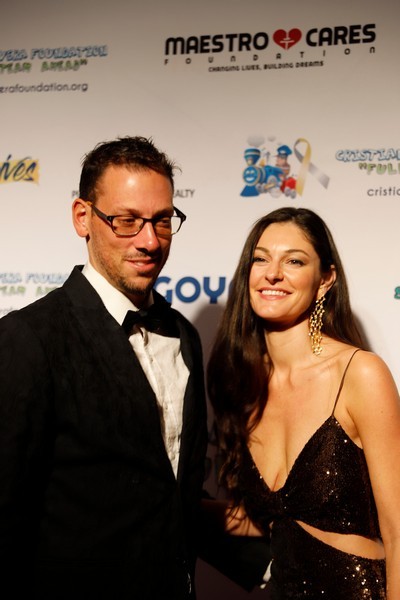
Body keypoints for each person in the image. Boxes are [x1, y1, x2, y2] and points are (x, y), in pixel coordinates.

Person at [0, 136, 208, 599]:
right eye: (126, 221)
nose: (149, 241)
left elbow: (172, 491)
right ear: (83, 217)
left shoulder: (184, 336)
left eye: (162, 221)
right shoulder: (29, 338)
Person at [207, 207, 400, 599]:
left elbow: (397, 530)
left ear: (325, 279)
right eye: (260, 259)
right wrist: (166, 507)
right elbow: (272, 517)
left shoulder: (360, 374)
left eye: (294, 261)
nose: (272, 274)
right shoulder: (245, 385)